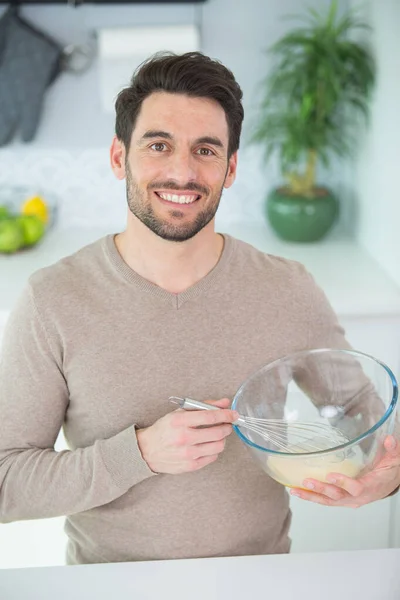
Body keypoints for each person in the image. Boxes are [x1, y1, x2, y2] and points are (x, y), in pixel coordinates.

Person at [0, 51, 399, 566]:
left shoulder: (287, 289)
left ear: (230, 169)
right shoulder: (53, 299)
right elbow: (6, 483)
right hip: (108, 587)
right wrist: (139, 454)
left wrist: (389, 476)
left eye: (206, 150)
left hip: (258, 579)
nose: (182, 172)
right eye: (159, 145)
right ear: (120, 157)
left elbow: (367, 425)